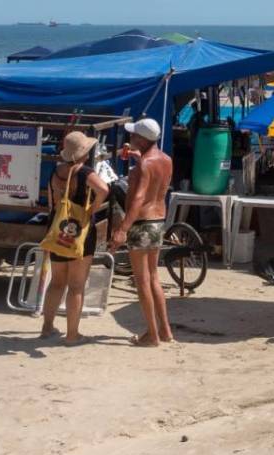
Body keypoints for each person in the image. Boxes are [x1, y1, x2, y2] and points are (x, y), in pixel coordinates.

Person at [109, 117, 174, 345]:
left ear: (143, 140)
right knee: (153, 277)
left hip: (142, 223)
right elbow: (155, 182)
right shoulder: (165, 160)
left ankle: (152, 335)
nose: (130, 138)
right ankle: (165, 331)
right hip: (158, 221)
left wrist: (122, 229)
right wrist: (138, 160)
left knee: (142, 280)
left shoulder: (145, 165)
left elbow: (137, 199)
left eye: (134, 135)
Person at [39, 131, 109, 343]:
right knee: (76, 285)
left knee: (57, 282)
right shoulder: (85, 172)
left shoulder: (56, 171)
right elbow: (104, 190)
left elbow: (52, 202)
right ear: (83, 153)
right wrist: (91, 210)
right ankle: (72, 334)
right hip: (80, 231)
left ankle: (47, 327)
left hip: (56, 228)